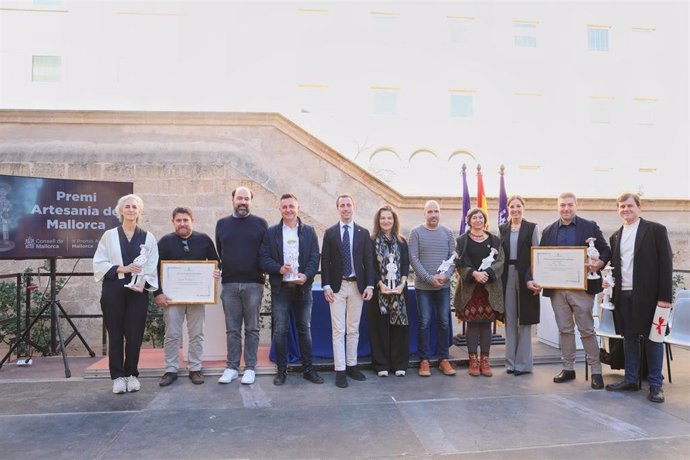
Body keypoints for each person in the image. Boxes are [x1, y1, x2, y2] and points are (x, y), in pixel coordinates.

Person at [532, 192, 611, 389]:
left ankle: (596, 371)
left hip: (582, 288)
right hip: (558, 289)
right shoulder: (549, 230)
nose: (566, 209)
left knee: (586, 330)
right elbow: (541, 258)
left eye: (569, 205)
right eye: (562, 205)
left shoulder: (589, 226)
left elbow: (606, 249)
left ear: (576, 205)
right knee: (564, 329)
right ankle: (568, 367)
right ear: (557, 207)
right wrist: (538, 277)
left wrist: (599, 263)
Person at [604, 192, 673, 403]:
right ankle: (631, 379)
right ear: (618, 210)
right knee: (629, 338)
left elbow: (666, 264)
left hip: (651, 297)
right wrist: (609, 283)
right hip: (623, 295)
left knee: (654, 340)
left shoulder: (656, 230)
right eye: (622, 206)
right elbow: (617, 267)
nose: (626, 209)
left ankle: (655, 385)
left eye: (629, 206)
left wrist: (664, 298)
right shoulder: (615, 236)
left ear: (638, 207)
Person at [93, 194, 159, 394]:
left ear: (140, 211)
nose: (131, 210)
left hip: (137, 291)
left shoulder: (148, 238)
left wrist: (143, 283)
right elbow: (99, 262)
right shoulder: (109, 235)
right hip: (114, 289)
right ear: (121, 211)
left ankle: (132, 375)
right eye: (127, 207)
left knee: (134, 334)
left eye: (135, 207)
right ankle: (118, 377)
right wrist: (122, 268)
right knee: (115, 333)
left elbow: (151, 265)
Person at [259, 193, 324, 386]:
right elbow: (263, 258)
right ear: (280, 210)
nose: (288, 210)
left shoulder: (309, 231)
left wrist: (306, 275)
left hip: (303, 287)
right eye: (285, 207)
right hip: (281, 288)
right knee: (280, 330)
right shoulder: (271, 233)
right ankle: (281, 370)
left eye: (291, 206)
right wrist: (278, 268)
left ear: (298, 208)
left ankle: (308, 369)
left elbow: (314, 257)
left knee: (305, 329)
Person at [154, 207, 219, 387]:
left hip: (197, 297)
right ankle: (171, 369)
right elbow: (154, 269)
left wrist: (215, 272)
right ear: (173, 222)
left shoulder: (204, 240)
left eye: (185, 220)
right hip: (171, 298)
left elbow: (216, 262)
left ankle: (195, 368)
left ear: (192, 220)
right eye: (179, 220)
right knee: (172, 334)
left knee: (197, 333)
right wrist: (157, 293)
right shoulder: (165, 242)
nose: (182, 223)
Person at [321, 194, 375, 388]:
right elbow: (325, 261)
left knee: (353, 329)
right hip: (337, 287)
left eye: (348, 205)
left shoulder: (363, 232)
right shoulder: (330, 233)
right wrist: (325, 285)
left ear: (354, 207)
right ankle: (340, 370)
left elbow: (368, 261)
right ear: (338, 208)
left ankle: (352, 365)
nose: (345, 208)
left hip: (357, 287)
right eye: (342, 205)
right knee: (338, 330)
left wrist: (370, 285)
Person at [215, 187, 268, 385]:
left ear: (251, 202)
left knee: (252, 329)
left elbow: (265, 251)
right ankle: (232, 367)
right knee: (232, 329)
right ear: (233, 200)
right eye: (240, 198)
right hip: (229, 285)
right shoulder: (222, 224)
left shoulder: (260, 224)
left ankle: (250, 368)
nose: (243, 202)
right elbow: (221, 251)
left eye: (246, 199)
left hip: (254, 284)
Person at [454, 208, 505, 377]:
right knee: (473, 324)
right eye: (474, 217)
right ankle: (473, 360)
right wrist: (474, 274)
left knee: (486, 324)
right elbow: (458, 264)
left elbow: (500, 262)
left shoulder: (495, 240)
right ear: (469, 221)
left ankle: (485, 360)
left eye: (480, 217)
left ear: (485, 220)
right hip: (470, 289)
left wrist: (487, 274)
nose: (477, 220)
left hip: (489, 289)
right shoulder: (461, 241)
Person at [408, 200, 456, 377]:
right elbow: (414, 259)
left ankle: (444, 359)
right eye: (430, 212)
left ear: (440, 213)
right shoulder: (416, 233)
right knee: (425, 322)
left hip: (443, 286)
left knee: (444, 321)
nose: (433, 215)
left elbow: (453, 259)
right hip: (423, 288)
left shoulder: (447, 233)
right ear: (424, 213)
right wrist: (429, 279)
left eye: (436, 211)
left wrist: (445, 276)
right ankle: (424, 360)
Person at [498, 195, 541, 376]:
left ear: (523, 208)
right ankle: (510, 363)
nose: (515, 210)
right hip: (507, 276)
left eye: (518, 206)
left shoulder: (532, 228)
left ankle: (523, 364)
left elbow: (536, 255)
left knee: (524, 319)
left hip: (526, 278)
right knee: (510, 319)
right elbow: (499, 255)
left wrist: (532, 277)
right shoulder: (502, 229)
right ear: (508, 209)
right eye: (512, 207)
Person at [369, 205, 410, 377]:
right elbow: (370, 265)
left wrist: (402, 284)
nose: (386, 221)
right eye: (383, 218)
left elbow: (406, 264)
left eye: (389, 218)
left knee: (399, 327)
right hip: (379, 292)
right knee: (380, 328)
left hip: (399, 290)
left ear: (394, 221)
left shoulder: (401, 241)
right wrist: (380, 284)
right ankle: (381, 365)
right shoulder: (371, 241)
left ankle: (399, 364)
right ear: (378, 221)